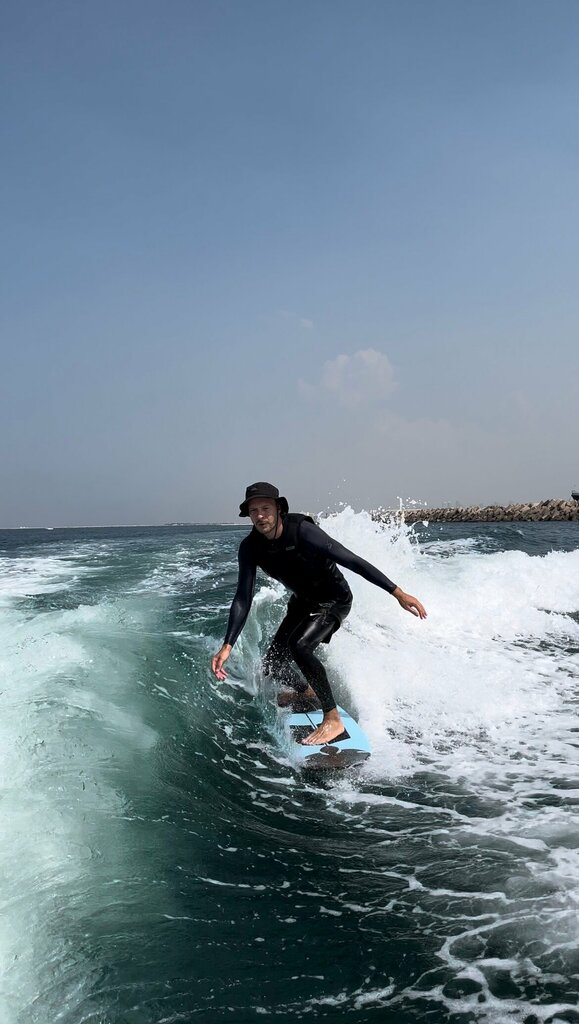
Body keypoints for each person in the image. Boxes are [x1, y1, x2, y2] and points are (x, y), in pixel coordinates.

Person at [211, 482, 427, 745]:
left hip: (333, 599)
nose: (260, 516)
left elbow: (352, 561)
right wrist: (228, 644)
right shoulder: (250, 547)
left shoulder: (303, 531)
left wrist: (397, 592)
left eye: (265, 508)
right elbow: (243, 596)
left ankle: (332, 719)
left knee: (300, 647)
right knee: (272, 665)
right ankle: (306, 690)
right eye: (254, 511)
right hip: (303, 601)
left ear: (279, 509)